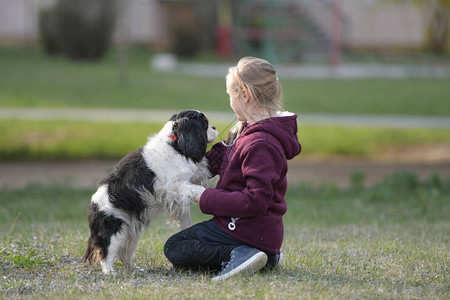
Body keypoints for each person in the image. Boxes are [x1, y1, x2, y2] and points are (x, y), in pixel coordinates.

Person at [164, 57, 301, 281]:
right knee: (182, 244)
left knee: (175, 247)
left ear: (244, 95)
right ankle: (265, 257)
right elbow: (219, 161)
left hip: (243, 230)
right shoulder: (246, 133)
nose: (229, 101)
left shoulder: (261, 144)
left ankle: (242, 254)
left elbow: (255, 200)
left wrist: (203, 195)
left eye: (230, 95)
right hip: (257, 233)